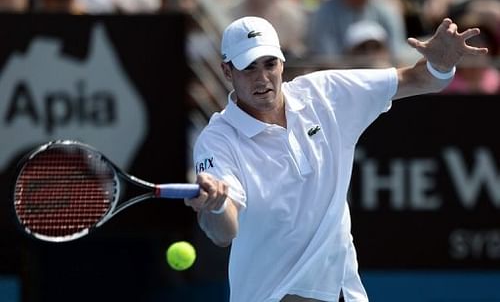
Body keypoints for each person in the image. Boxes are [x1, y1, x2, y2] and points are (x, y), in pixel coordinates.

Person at [185, 16, 488, 302]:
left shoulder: (325, 93)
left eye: (269, 64)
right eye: (249, 67)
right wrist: (215, 206)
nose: (263, 78)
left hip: (343, 293)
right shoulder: (218, 140)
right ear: (227, 71)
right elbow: (224, 232)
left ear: (282, 62)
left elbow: (420, 79)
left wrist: (440, 65)